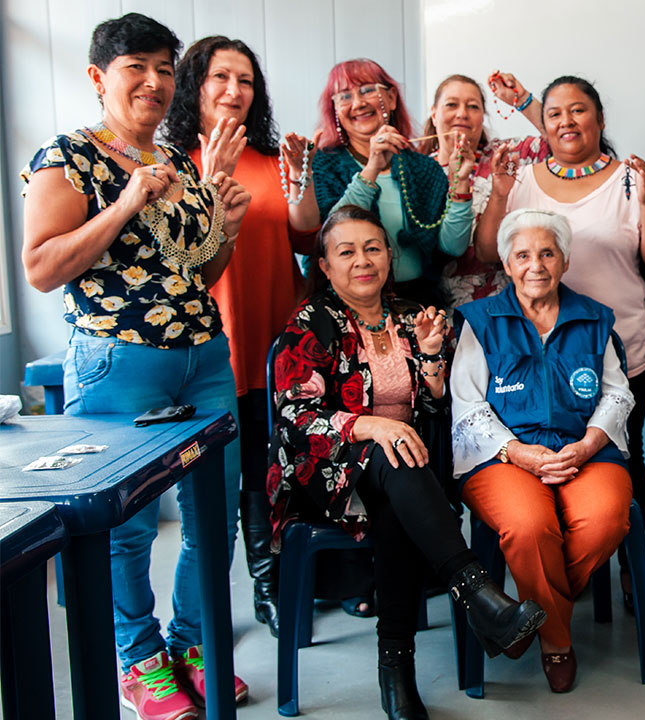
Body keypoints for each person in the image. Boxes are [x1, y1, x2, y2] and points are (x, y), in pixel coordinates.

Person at [20, 13, 252, 718]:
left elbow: (195, 271)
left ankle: (193, 644)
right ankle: (139, 660)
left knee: (216, 517)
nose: (153, 83)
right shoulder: (66, 158)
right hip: (119, 363)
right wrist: (124, 202)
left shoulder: (180, 164)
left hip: (204, 358)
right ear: (98, 78)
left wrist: (227, 227)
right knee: (128, 527)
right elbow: (40, 266)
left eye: (162, 68)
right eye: (135, 68)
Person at [268, 205, 545, 720]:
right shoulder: (310, 323)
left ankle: (398, 670)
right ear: (325, 267)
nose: (362, 261)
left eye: (372, 248)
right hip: (326, 475)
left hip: (403, 477)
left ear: (390, 258)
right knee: (398, 461)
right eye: (346, 252)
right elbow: (296, 415)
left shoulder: (406, 315)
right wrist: (372, 425)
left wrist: (434, 361)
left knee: (401, 486)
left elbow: (438, 408)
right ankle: (479, 598)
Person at [474, 75, 645, 601]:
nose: (566, 121)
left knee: (622, 461)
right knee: (541, 463)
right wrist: (498, 194)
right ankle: (562, 579)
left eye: (579, 110)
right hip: (533, 350)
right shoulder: (523, 180)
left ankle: (614, 578)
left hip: (618, 346)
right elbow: (485, 250)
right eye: (555, 112)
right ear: (543, 121)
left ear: (600, 120)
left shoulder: (631, 178)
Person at [166, 34, 321, 638]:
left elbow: (305, 239)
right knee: (211, 493)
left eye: (247, 81)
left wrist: (301, 178)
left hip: (275, 338)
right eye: (220, 77)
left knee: (265, 470)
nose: (235, 91)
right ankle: (198, 615)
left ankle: (268, 584)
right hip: (207, 350)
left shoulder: (270, 157)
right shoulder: (170, 162)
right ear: (194, 86)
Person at [452, 209, 636, 693]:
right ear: (507, 266)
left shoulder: (594, 318)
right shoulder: (481, 320)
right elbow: (467, 404)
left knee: (605, 521)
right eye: (523, 255)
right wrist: (518, 452)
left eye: (548, 253)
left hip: (584, 449)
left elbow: (617, 393)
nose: (536, 265)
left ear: (565, 261)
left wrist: (589, 443)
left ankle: (520, 618)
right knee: (531, 526)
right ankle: (556, 641)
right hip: (503, 456)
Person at [311, 59, 474, 307]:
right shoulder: (323, 165)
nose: (358, 103)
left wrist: (460, 185)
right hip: (346, 306)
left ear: (392, 98)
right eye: (344, 96)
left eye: (367, 90)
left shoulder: (424, 168)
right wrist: (372, 168)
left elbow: (452, 247)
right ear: (334, 109)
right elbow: (331, 235)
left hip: (418, 302)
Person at [422, 72, 548, 310]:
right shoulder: (420, 171)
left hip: (506, 305)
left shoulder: (504, 157)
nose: (462, 113)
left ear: (482, 117)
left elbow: (558, 141)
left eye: (473, 107)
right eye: (451, 105)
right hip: (439, 309)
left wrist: (522, 100)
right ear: (434, 113)